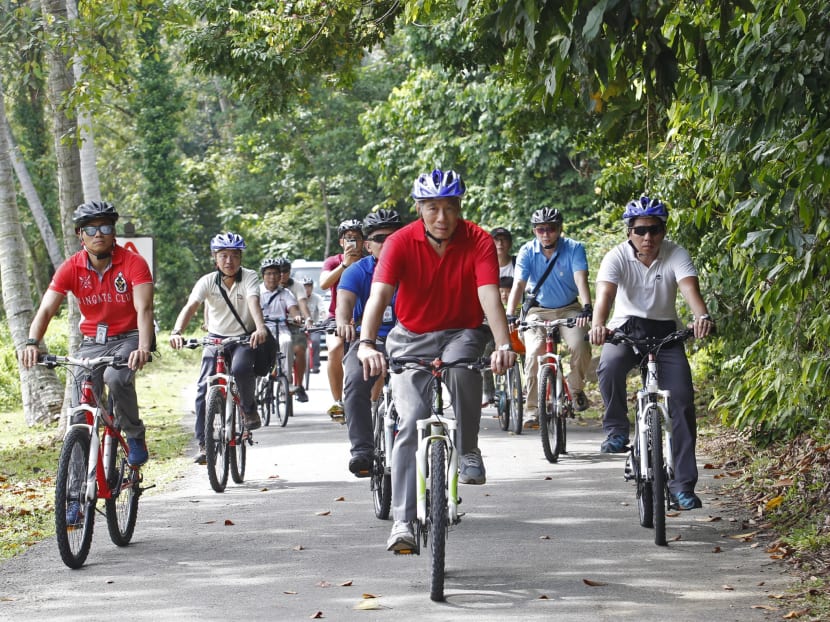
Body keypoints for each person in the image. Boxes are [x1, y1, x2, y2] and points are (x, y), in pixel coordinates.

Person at [356, 168, 516, 552]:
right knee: (410, 422)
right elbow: (379, 297)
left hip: (461, 331)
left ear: (460, 207)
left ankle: (469, 447)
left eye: (450, 207)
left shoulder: (478, 239)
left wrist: (502, 344)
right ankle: (403, 522)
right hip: (410, 337)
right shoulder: (398, 242)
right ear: (419, 208)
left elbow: (489, 296)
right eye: (432, 208)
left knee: (463, 371)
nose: (442, 217)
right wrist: (365, 343)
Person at [588, 196, 714, 511]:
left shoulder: (676, 254)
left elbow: (689, 290)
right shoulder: (615, 257)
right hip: (625, 330)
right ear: (629, 232)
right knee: (610, 365)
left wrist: (701, 316)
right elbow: (605, 294)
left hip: (666, 332)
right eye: (641, 230)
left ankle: (682, 486)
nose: (649, 238)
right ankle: (616, 430)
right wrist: (598, 324)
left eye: (655, 230)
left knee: (682, 401)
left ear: (663, 230)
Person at [20, 201, 154, 476]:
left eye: (105, 227)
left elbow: (144, 308)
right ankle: (75, 494)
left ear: (114, 231)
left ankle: (134, 434)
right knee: (80, 414)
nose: (98, 234)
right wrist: (32, 342)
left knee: (116, 379)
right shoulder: (71, 267)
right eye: (90, 229)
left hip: (129, 337)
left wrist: (142, 347)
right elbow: (46, 308)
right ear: (79, 235)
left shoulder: (133, 262)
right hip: (92, 342)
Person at [169, 232, 268, 464]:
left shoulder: (250, 277)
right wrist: (176, 332)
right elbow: (191, 306)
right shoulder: (207, 281)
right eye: (223, 255)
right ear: (215, 258)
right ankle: (204, 444)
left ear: (241, 257)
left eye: (234, 255)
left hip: (243, 338)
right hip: (215, 338)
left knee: (242, 368)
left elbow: (254, 302)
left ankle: (249, 408)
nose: (229, 261)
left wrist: (260, 328)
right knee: (204, 388)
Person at [505, 208, 593, 427]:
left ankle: (576, 388)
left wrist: (587, 307)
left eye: (551, 229)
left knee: (580, 345)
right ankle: (532, 409)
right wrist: (510, 314)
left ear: (560, 229)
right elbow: (519, 285)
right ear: (535, 231)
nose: (546, 234)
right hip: (538, 310)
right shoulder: (527, 251)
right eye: (541, 229)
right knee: (534, 353)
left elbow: (580, 278)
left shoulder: (574, 248)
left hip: (569, 308)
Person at [335, 209, 402, 476]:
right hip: (369, 341)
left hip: (411, 341)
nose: (386, 243)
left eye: (392, 237)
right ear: (367, 244)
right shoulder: (357, 271)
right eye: (378, 238)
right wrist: (342, 321)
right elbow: (344, 303)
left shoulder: (416, 267)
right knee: (353, 380)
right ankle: (362, 450)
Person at [320, 219, 365, 421]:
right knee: (335, 348)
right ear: (341, 242)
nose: (353, 242)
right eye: (349, 239)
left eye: (357, 238)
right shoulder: (333, 261)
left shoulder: (369, 259)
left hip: (365, 316)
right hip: (336, 317)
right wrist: (344, 265)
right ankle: (338, 401)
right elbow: (323, 283)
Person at [259, 258, 307, 402]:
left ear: (280, 276)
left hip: (281, 328)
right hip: (262, 329)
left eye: (275, 273)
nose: (272, 277)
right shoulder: (256, 292)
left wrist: (297, 317)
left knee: (287, 342)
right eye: (268, 273)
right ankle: (259, 379)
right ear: (263, 275)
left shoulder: (286, 293)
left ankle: (285, 381)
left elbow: (293, 309)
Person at [482, 227, 516, 405]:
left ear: (510, 243)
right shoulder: (484, 264)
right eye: (496, 240)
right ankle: (488, 391)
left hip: (516, 316)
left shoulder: (517, 264)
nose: (500, 244)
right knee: (485, 350)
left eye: (503, 240)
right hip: (489, 317)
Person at [276, 257, 311, 400]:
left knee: (299, 350)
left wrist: (307, 318)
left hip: (293, 324)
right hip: (274, 325)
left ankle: (299, 384)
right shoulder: (267, 286)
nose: (282, 275)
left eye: (285, 272)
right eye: (279, 272)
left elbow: (302, 304)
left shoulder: (297, 286)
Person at [302, 277, 324, 373]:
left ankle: (315, 365)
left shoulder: (317, 298)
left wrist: (323, 318)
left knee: (315, 341)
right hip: (300, 326)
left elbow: (322, 310)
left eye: (309, 287)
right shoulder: (298, 298)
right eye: (305, 287)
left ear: (312, 287)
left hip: (314, 326)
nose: (307, 289)